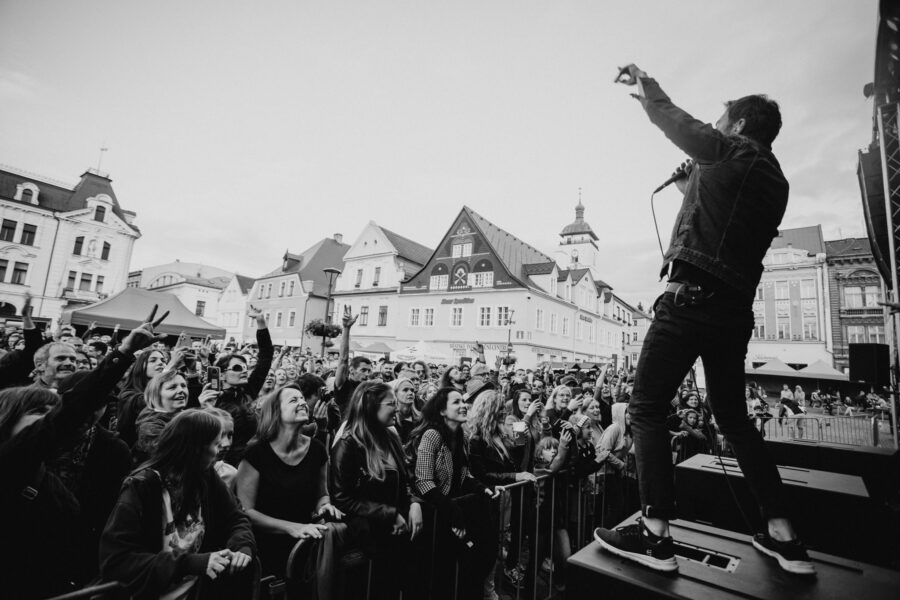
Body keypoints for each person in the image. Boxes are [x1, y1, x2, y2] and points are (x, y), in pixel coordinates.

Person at [596, 63, 813, 576]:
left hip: (689, 301)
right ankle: (784, 536)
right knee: (734, 419)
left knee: (645, 409)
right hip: (732, 312)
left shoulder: (733, 149)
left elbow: (681, 124)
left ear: (737, 125)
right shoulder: (775, 180)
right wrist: (688, 181)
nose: (715, 128)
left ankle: (655, 536)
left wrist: (650, 91)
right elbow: (722, 211)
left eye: (722, 121)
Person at [1, 306, 170, 598]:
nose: (49, 420)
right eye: (40, 413)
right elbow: (72, 409)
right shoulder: (10, 463)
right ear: (8, 420)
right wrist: (123, 352)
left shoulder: (39, 470)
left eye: (50, 413)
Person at [100, 410, 256, 600]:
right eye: (215, 444)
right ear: (194, 447)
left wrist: (242, 547)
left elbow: (236, 517)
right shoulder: (142, 487)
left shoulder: (206, 476)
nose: (219, 450)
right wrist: (190, 564)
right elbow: (117, 560)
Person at [235, 384, 347, 598]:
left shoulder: (316, 449)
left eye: (303, 398)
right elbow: (246, 511)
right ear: (276, 412)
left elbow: (321, 494)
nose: (303, 403)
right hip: (264, 547)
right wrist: (292, 528)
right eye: (293, 400)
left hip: (304, 546)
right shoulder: (256, 453)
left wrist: (325, 506)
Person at [330, 382, 424, 599]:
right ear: (371, 406)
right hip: (373, 536)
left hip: (401, 529)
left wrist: (414, 502)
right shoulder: (348, 443)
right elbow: (342, 498)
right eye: (391, 403)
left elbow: (407, 477)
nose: (398, 408)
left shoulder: (390, 436)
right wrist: (389, 515)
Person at [409, 388, 498, 600]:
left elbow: (463, 473)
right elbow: (423, 481)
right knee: (440, 576)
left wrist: (481, 487)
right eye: (456, 402)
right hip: (435, 515)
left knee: (477, 560)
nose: (463, 405)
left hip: (453, 511)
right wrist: (452, 509)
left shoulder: (462, 436)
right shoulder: (432, 435)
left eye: (463, 401)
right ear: (441, 410)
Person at [467, 390, 537, 591]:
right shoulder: (476, 439)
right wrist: (516, 477)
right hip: (489, 500)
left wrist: (525, 421)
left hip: (505, 500)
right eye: (499, 409)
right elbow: (481, 474)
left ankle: (491, 587)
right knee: (488, 550)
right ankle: (487, 590)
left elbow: (520, 446)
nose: (503, 412)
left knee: (496, 546)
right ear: (489, 410)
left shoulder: (499, 434)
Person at [214, 305, 274, 465]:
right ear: (222, 374)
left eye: (245, 367)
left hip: (251, 462)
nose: (244, 371)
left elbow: (266, 356)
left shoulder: (248, 391)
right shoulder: (211, 398)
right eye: (237, 368)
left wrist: (260, 322)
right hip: (223, 465)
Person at [134, 369, 190, 463]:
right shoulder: (149, 427)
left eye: (184, 386)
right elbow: (177, 458)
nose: (181, 390)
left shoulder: (186, 415)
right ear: (156, 394)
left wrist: (208, 407)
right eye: (172, 387)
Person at [117, 348, 169, 447]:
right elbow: (149, 403)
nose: (160, 363)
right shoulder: (128, 395)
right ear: (141, 366)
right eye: (153, 360)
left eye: (163, 360)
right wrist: (167, 374)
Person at [333, 307, 372, 419]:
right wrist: (346, 328)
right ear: (351, 370)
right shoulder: (343, 385)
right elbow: (343, 360)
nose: (367, 374)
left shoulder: (368, 389)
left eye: (369, 370)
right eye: (363, 370)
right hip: (343, 431)